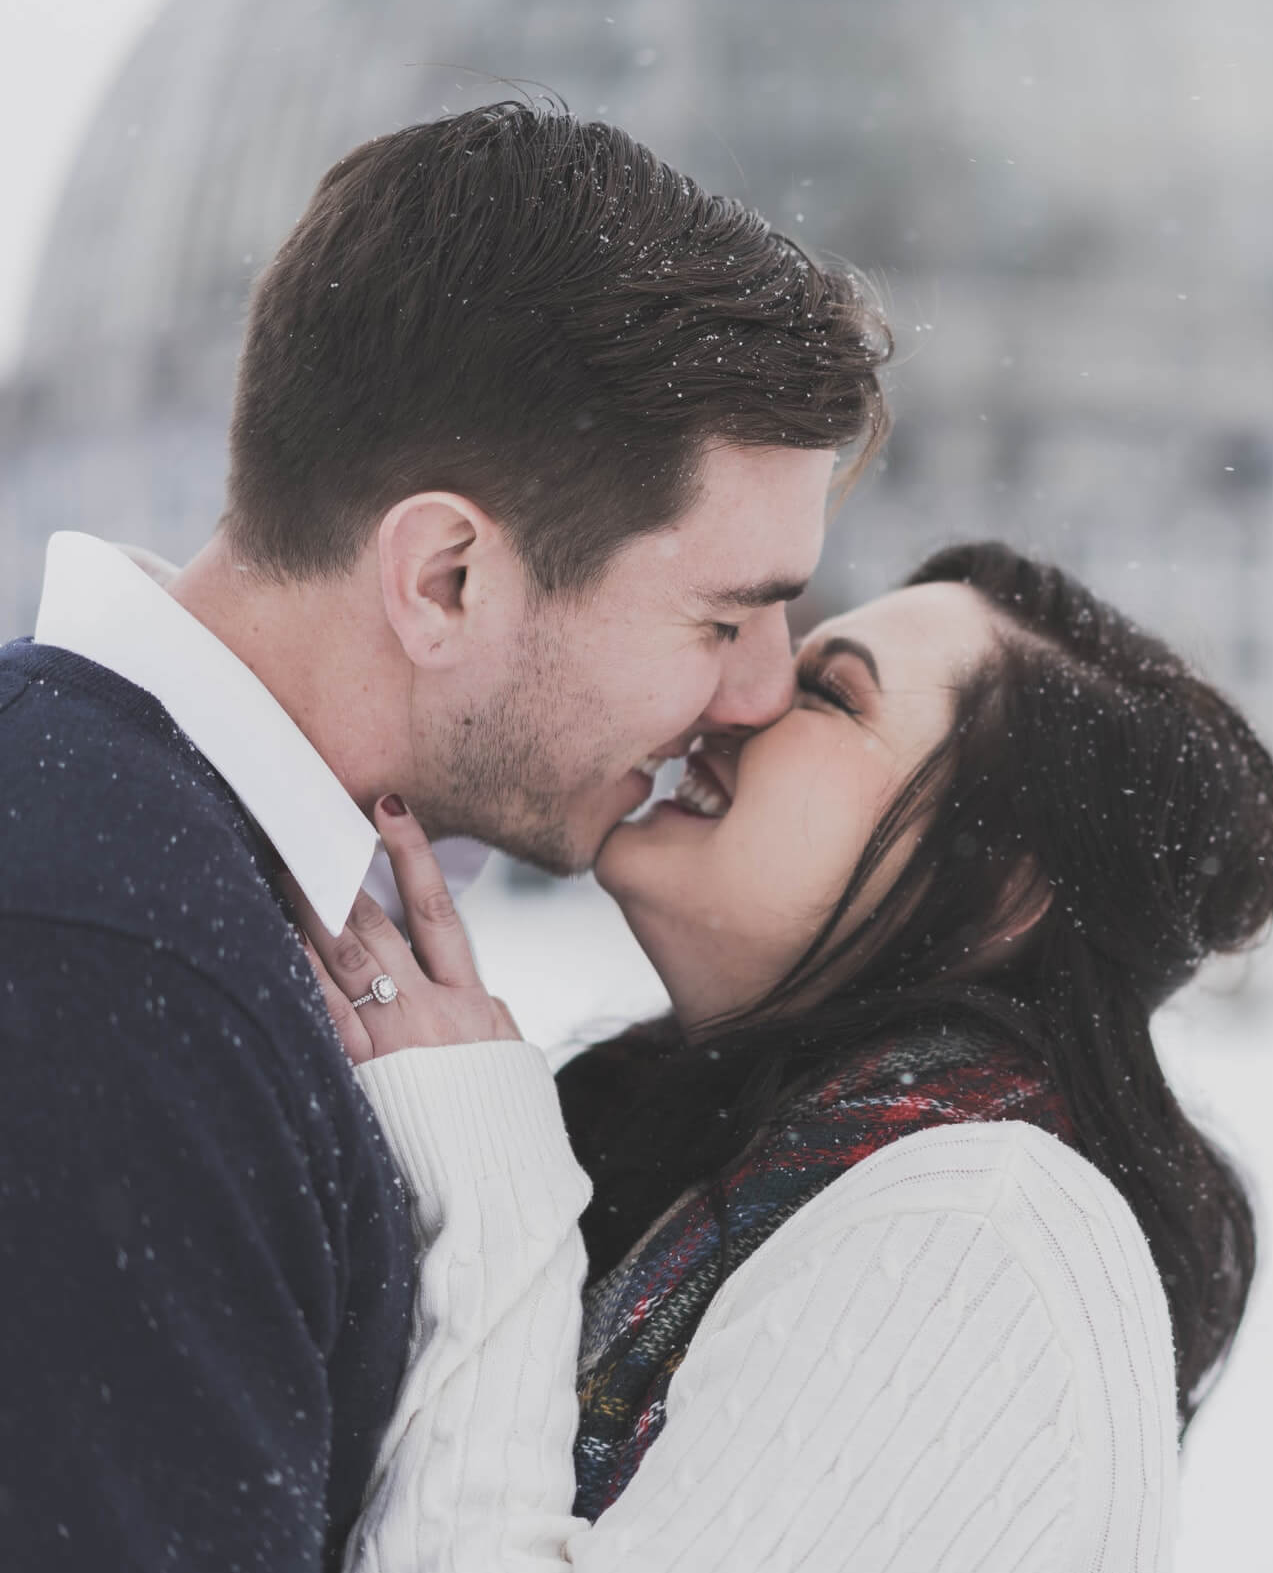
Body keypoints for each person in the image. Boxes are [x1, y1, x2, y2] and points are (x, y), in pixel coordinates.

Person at [0, 102, 888, 1569]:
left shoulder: (156, 889)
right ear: (448, 578)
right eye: (720, 617)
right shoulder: (103, 967)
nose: (761, 691)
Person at [298, 543, 1273, 1570]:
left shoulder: (973, 1230)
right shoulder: (760, 1169)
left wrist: (490, 1186)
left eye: (826, 692)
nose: (737, 700)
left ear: (1003, 889)